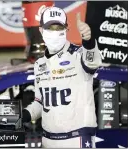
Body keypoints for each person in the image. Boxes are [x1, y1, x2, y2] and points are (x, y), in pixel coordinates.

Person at [22, 6, 102, 148]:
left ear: (66, 29)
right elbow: (40, 102)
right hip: (48, 140)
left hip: (77, 139)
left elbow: (93, 62)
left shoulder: (79, 54)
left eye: (58, 28)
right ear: (41, 30)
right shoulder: (39, 64)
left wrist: (88, 40)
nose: (54, 32)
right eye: (49, 27)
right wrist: (23, 115)